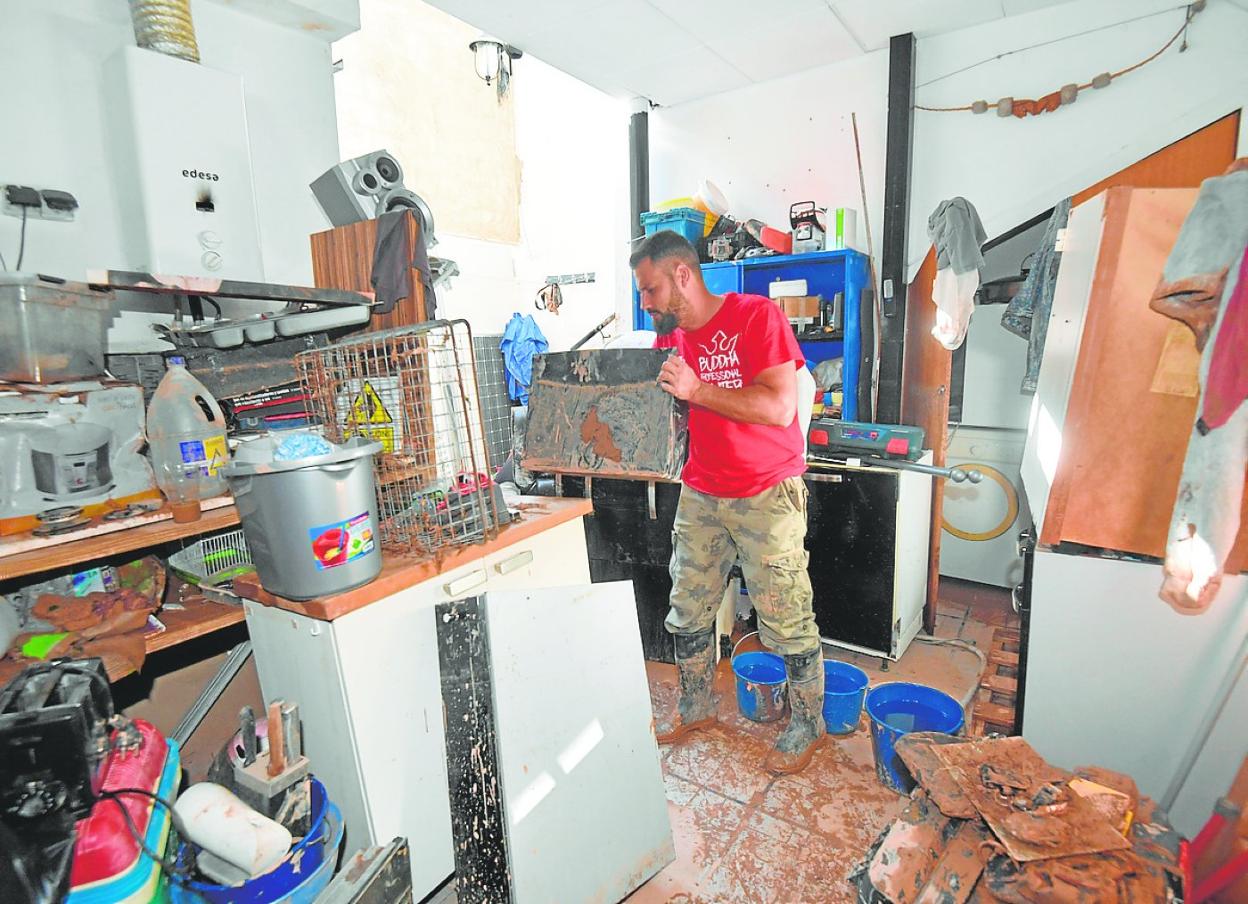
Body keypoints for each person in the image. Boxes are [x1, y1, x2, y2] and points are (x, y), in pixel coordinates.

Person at [630, 229, 826, 775]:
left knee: (785, 614)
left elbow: (780, 407)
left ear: (683, 276)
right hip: (702, 491)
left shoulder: (756, 317)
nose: (644, 303)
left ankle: (809, 724)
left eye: (649, 290)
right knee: (687, 605)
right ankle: (695, 706)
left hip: (767, 491)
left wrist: (698, 390)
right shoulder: (669, 343)